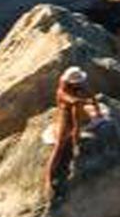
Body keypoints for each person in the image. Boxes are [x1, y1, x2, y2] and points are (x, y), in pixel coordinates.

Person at [45, 67, 108, 196]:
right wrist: (88, 102)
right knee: (59, 146)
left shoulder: (80, 87)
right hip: (65, 118)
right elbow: (73, 100)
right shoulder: (62, 92)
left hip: (79, 115)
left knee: (79, 111)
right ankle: (48, 179)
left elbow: (91, 95)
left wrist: (97, 111)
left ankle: (76, 135)